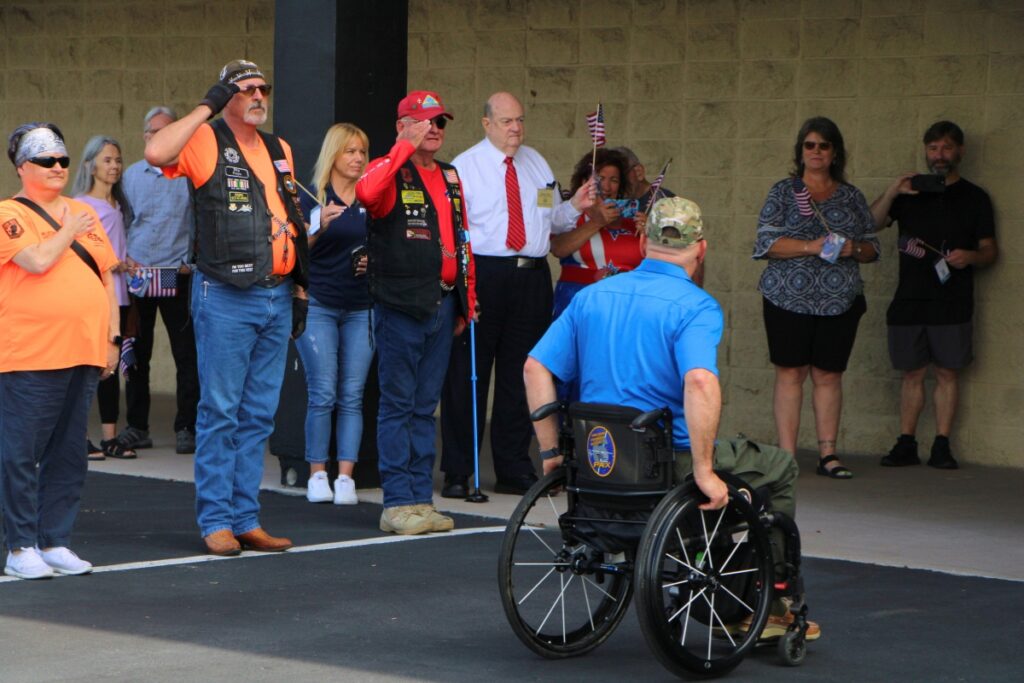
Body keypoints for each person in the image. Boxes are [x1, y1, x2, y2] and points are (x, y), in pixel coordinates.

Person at [525, 196, 818, 640]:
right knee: (779, 467)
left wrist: (551, 452)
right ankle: (774, 606)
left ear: (643, 242)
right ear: (701, 249)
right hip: (668, 467)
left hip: (598, 465)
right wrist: (703, 471)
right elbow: (700, 382)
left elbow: (535, 368)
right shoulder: (695, 307)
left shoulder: (591, 297)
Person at [145, 59, 309, 556]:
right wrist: (207, 104)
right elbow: (156, 150)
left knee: (258, 414)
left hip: (277, 293)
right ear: (226, 94)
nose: (259, 95)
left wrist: (300, 287)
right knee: (221, 411)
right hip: (226, 295)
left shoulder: (280, 148)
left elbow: (289, 218)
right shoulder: (204, 138)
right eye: (246, 89)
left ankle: (245, 517)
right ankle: (216, 519)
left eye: (263, 88)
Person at [439, 92, 595, 498]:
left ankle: (512, 467)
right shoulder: (464, 168)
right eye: (507, 121)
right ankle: (460, 470)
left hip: (531, 276)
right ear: (486, 123)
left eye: (520, 120)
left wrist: (575, 204)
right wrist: (462, 284)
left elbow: (551, 218)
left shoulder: (536, 163)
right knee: (469, 374)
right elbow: (454, 231)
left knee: (521, 375)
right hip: (484, 273)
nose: (515, 129)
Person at [0, 122, 119, 579]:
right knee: (21, 452)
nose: (57, 168)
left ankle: (55, 540)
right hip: (29, 352)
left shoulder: (79, 211)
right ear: (22, 167)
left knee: (69, 453)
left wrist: (112, 339)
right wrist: (69, 227)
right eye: (47, 160)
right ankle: (20, 545)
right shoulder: (11, 213)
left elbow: (106, 277)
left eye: (63, 160)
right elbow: (37, 260)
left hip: (82, 351)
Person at [356, 90, 477, 535]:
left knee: (426, 407)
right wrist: (401, 147)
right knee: (398, 405)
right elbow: (368, 194)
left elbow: (463, 238)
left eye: (440, 122)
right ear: (403, 124)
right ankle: (397, 502)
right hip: (400, 306)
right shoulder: (387, 169)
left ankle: (420, 500)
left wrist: (467, 297)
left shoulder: (450, 176)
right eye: (426, 121)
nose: (435, 129)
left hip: (443, 303)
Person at [752, 116, 879, 480]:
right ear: (800, 151)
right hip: (786, 298)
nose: (816, 151)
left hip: (839, 300)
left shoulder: (851, 196)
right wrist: (812, 246)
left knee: (828, 374)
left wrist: (852, 248)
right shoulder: (782, 191)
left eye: (823, 145)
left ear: (834, 151)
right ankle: (787, 456)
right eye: (810, 145)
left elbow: (873, 248)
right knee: (790, 372)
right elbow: (766, 243)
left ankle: (828, 454)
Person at [869, 121, 998, 469]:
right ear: (925, 151)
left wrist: (969, 257)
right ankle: (906, 442)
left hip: (952, 300)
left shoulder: (975, 198)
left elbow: (989, 252)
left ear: (960, 151)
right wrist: (895, 189)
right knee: (911, 373)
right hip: (909, 299)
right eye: (933, 149)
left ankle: (942, 444)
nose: (939, 155)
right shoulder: (910, 194)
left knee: (947, 373)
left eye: (946, 148)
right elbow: (871, 223)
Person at [296, 123, 372, 505]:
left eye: (362, 151)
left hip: (362, 306)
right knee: (322, 392)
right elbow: (294, 253)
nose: (357, 158)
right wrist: (318, 228)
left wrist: (372, 260)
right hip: (320, 303)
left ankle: (346, 478)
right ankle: (316, 473)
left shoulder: (373, 197)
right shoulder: (312, 196)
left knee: (352, 394)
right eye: (350, 151)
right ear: (334, 156)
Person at [121, 106, 200, 456]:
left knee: (187, 356)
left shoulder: (188, 175)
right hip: (139, 278)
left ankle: (187, 426)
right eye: (155, 132)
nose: (162, 138)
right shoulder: (130, 177)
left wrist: (190, 262)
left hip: (177, 275)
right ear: (145, 137)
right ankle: (137, 427)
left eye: (170, 132)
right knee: (138, 354)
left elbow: (200, 222)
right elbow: (123, 223)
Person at [71, 135, 137, 461]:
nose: (114, 166)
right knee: (86, 367)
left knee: (111, 367)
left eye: (118, 160)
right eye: (107, 160)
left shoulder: (119, 206)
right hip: (92, 297)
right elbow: (80, 255)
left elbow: (116, 252)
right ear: (90, 165)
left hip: (120, 296)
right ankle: (78, 437)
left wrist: (126, 263)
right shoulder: (81, 206)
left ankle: (110, 437)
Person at [551, 148, 638, 322]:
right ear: (585, 182)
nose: (606, 186)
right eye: (600, 179)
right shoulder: (570, 216)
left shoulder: (632, 221)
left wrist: (648, 235)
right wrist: (596, 222)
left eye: (614, 180)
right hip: (577, 302)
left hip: (625, 306)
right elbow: (557, 249)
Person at [611, 145, 675, 214]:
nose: (609, 187)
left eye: (620, 176)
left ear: (638, 172)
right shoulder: (612, 203)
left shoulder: (667, 203)